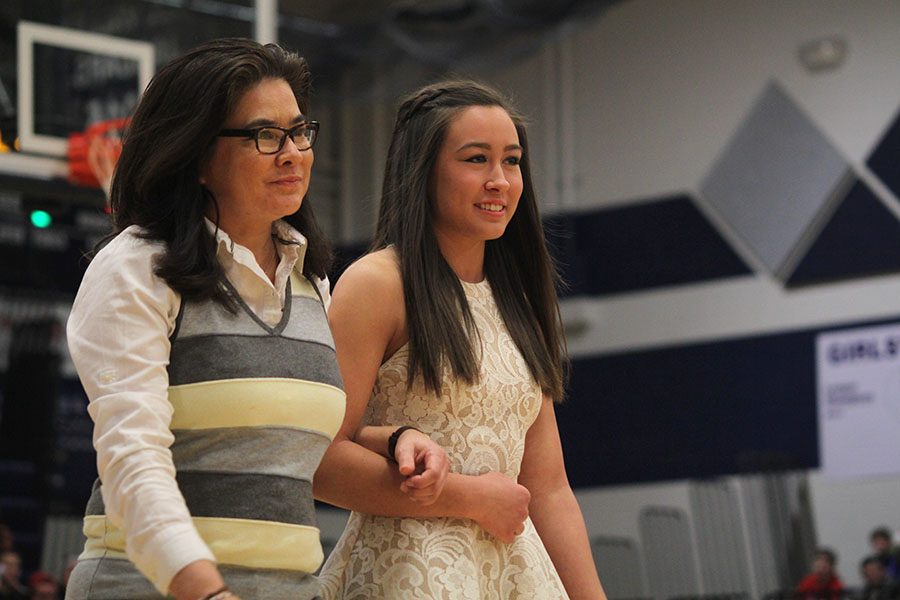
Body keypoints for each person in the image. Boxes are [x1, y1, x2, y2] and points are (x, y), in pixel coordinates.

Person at [65, 38, 345, 600]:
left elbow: (312, 446)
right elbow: (133, 461)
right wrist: (204, 589)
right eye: (265, 136)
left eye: (299, 132)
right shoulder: (136, 267)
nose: (292, 152)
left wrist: (400, 440)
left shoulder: (310, 278)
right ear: (194, 156)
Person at [314, 79, 607, 599]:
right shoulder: (376, 283)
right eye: (476, 159)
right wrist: (467, 497)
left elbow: (549, 490)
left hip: (516, 577)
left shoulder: (517, 299)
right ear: (422, 171)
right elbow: (320, 460)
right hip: (405, 577)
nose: (500, 180)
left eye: (512, 161)